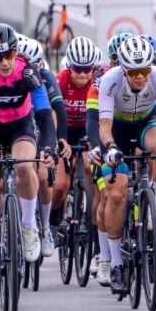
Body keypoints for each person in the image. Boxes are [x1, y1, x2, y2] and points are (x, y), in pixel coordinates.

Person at [0, 24, 57, 295]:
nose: (4, 62)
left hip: (19, 126)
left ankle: (28, 227)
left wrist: (48, 148)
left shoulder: (28, 72)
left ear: (16, 51)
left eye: (9, 54)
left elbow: (43, 113)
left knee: (26, 166)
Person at [92, 37, 156, 294]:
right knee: (115, 195)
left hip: (146, 121)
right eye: (134, 73)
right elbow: (104, 126)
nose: (140, 77)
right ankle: (116, 264)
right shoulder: (109, 81)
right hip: (118, 130)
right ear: (123, 69)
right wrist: (110, 148)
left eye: (144, 70)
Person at [18, 36, 68, 257]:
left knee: (41, 174)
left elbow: (57, 110)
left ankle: (46, 227)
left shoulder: (45, 77)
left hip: (37, 125)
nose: (28, 69)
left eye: (34, 65)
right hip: (15, 127)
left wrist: (59, 141)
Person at [52, 37, 102, 252]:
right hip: (63, 130)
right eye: (77, 69)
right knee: (61, 184)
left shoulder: (98, 81)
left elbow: (100, 117)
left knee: (91, 168)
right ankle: (53, 222)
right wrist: (59, 141)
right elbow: (54, 114)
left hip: (86, 129)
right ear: (69, 66)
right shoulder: (60, 80)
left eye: (87, 69)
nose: (82, 74)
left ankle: (93, 226)